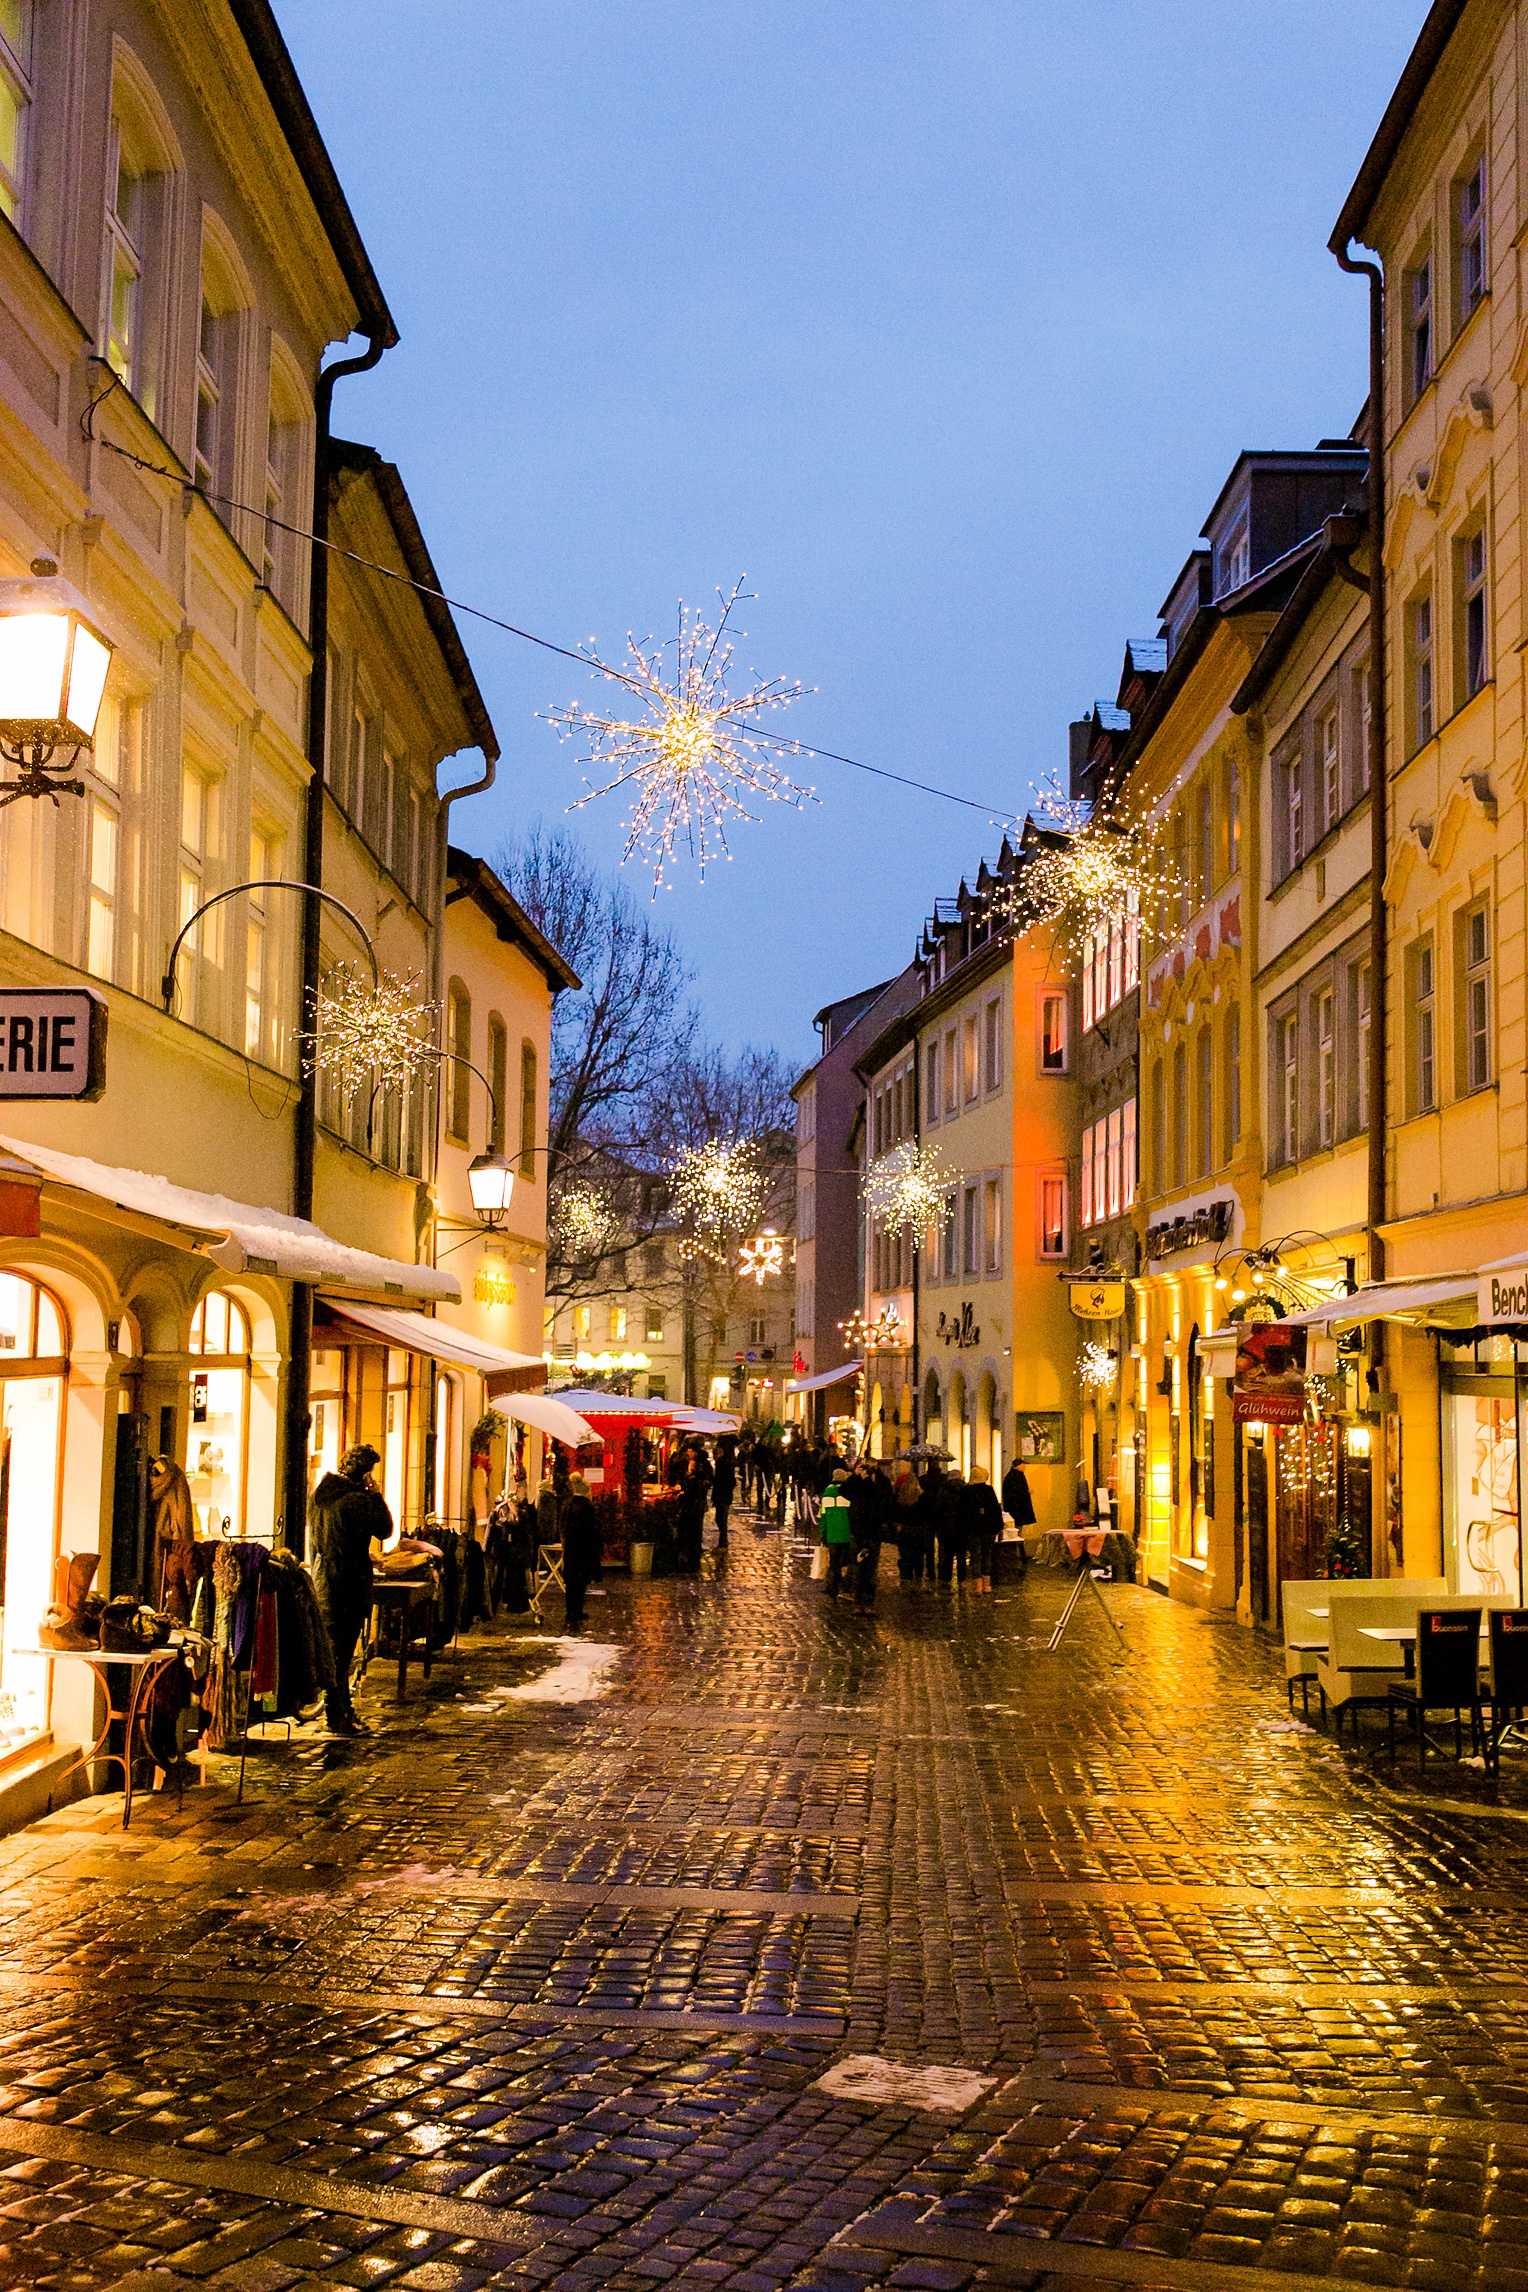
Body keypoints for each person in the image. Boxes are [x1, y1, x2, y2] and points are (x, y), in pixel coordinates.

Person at [308, 1442, 390, 1733]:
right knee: (341, 1655)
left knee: (335, 1653)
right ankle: (338, 1715)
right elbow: (385, 1529)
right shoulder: (357, 1500)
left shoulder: (319, 1495)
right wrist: (376, 1495)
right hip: (348, 1584)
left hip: (323, 1580)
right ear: (365, 1473)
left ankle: (341, 1711)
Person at [846, 1457, 890, 1613]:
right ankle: (857, 1602)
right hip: (857, 1529)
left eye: (871, 1467)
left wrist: (869, 1481)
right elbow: (843, 1491)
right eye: (865, 1466)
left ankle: (869, 1602)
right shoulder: (856, 1481)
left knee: (871, 1570)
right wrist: (856, 1476)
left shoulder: (881, 1482)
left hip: (873, 1530)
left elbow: (884, 1496)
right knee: (857, 1567)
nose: (869, 1469)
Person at [560, 1472, 602, 1627]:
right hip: (583, 1549)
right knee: (581, 1581)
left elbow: (563, 1525)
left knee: (570, 1581)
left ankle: (570, 1611)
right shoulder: (587, 1507)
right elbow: (591, 1530)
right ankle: (576, 1610)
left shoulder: (567, 1505)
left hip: (570, 1548)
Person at [961, 1464, 1005, 1594]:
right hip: (988, 1529)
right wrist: (998, 1527)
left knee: (975, 1556)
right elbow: (996, 1510)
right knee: (987, 1555)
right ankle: (987, 1585)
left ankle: (977, 1586)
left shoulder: (966, 1491)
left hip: (973, 1530)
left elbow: (962, 1512)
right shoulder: (988, 1490)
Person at [927, 1464, 966, 1589]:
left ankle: (946, 1577)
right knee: (961, 1555)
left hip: (946, 1527)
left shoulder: (943, 1490)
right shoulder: (965, 1490)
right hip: (961, 1527)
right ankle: (962, 1578)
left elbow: (937, 1509)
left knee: (947, 1554)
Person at [818, 1468, 853, 1599]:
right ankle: (845, 1586)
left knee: (833, 1562)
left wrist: (822, 1533)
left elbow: (822, 1517)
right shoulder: (848, 1492)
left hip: (832, 1534)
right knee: (848, 1561)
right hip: (847, 1533)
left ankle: (831, 1587)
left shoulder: (826, 1493)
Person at [893, 1467, 930, 1585]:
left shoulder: (900, 1498)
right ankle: (918, 1576)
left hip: (905, 1529)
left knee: (905, 1555)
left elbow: (895, 1514)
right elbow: (927, 1514)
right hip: (919, 1530)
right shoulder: (923, 1498)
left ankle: (906, 1576)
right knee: (918, 1555)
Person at [1002, 1457, 1035, 1573]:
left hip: (1015, 1511)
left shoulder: (1011, 1476)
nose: (1025, 1467)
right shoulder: (1017, 1477)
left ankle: (1020, 1554)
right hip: (1018, 1511)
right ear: (1019, 1466)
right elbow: (1016, 1494)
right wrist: (1026, 1493)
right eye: (1023, 1465)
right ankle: (1019, 1554)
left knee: (1017, 1533)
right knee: (1016, 1534)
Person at [712, 1437, 737, 1545]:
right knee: (721, 1517)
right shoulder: (723, 1463)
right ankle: (723, 1539)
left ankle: (723, 1539)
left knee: (721, 1518)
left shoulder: (723, 1463)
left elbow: (724, 1480)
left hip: (722, 1494)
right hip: (723, 1494)